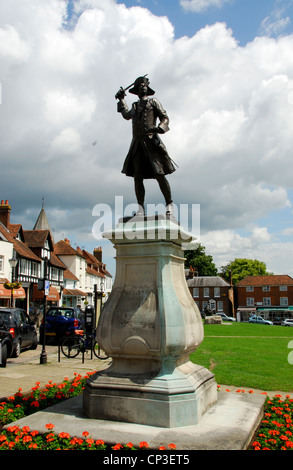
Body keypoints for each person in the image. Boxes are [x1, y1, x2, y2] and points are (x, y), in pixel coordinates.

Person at [116, 76, 176, 217]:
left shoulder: (153, 102)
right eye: (140, 85)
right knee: (138, 177)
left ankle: (169, 204)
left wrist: (159, 128)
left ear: (147, 88)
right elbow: (126, 115)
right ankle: (140, 209)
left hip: (151, 143)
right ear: (137, 90)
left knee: (159, 174)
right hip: (137, 144)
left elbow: (164, 117)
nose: (142, 87)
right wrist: (121, 100)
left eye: (144, 84)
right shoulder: (135, 106)